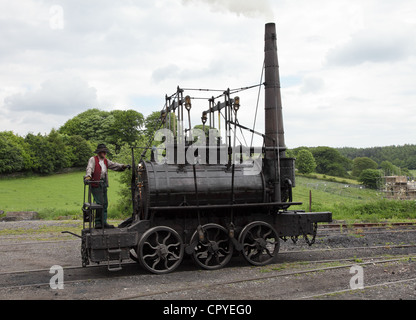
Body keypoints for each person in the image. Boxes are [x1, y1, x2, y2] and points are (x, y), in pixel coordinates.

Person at [84, 144, 130, 229]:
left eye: (105, 152)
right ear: (99, 152)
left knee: (105, 203)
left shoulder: (105, 161)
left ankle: (103, 222)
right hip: (96, 184)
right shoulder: (93, 159)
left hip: (103, 184)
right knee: (99, 203)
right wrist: (88, 176)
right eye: (103, 152)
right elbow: (89, 168)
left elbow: (114, 165)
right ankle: (98, 223)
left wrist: (123, 166)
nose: (105, 153)